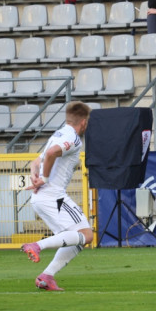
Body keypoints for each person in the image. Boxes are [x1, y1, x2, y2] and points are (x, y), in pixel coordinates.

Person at [19, 101, 93, 291]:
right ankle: (36, 246)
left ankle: (46, 277)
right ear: (83, 122)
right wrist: (43, 178)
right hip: (53, 196)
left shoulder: (58, 134)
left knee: (75, 239)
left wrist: (35, 173)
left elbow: (36, 161)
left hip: (42, 198)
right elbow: (51, 153)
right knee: (86, 234)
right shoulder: (73, 138)